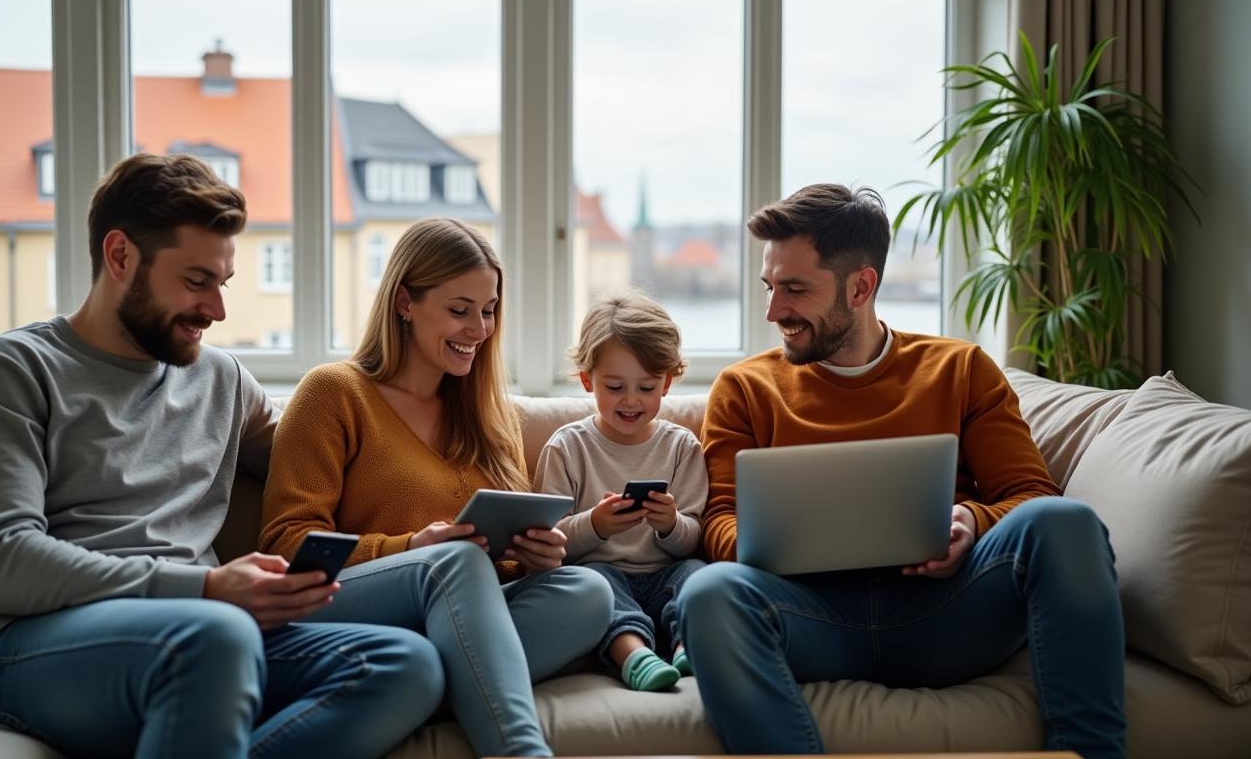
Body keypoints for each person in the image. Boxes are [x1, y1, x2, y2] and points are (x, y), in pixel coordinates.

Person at [0, 153, 443, 759]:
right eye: (196, 281)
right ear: (120, 256)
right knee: (218, 635)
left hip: (205, 633)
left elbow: (331, 462)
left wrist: (464, 510)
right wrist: (203, 588)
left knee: (405, 664)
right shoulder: (13, 370)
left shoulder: (223, 381)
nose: (218, 310)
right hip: (33, 640)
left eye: (221, 284)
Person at [677, 184, 1125, 758]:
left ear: (861, 286)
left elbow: (1031, 496)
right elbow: (718, 521)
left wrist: (972, 521)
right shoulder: (745, 388)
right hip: (808, 620)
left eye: (794, 289)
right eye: (769, 287)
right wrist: (771, 547)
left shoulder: (960, 369)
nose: (773, 311)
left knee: (1066, 522)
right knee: (708, 592)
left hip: (946, 614)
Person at [259, 217, 614, 758]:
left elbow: (493, 570)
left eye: (489, 310)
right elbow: (287, 545)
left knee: (588, 592)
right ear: (405, 302)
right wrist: (411, 549)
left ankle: (415, 685)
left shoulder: (489, 417)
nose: (480, 328)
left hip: (447, 619)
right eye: (459, 309)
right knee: (453, 561)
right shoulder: (335, 393)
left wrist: (533, 557)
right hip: (338, 604)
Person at [533, 292, 708, 692]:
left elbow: (693, 541)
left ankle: (686, 648)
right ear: (586, 380)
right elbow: (550, 545)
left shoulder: (681, 447)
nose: (631, 400)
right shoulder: (567, 447)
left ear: (666, 383)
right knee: (594, 582)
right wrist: (594, 525)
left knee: (695, 575)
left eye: (646, 387)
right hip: (601, 577)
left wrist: (670, 525)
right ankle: (636, 657)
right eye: (615, 387)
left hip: (664, 572)